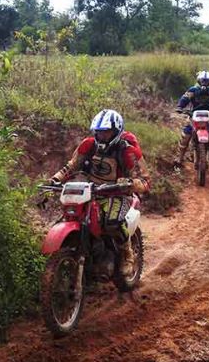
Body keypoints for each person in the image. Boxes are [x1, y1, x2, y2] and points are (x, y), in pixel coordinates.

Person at [50, 109, 150, 275]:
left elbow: (145, 180)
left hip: (117, 194)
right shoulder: (88, 145)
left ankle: (127, 254)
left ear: (116, 132)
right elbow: (72, 165)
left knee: (113, 222)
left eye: (106, 133)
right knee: (71, 215)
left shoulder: (128, 152)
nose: (102, 136)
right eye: (99, 132)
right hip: (90, 191)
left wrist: (130, 183)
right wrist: (56, 179)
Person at [174, 70, 209, 166]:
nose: (204, 83)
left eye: (207, 81)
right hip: (193, 115)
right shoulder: (192, 90)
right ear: (199, 80)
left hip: (208, 116)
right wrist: (180, 107)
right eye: (203, 80)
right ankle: (179, 157)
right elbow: (184, 98)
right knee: (186, 134)